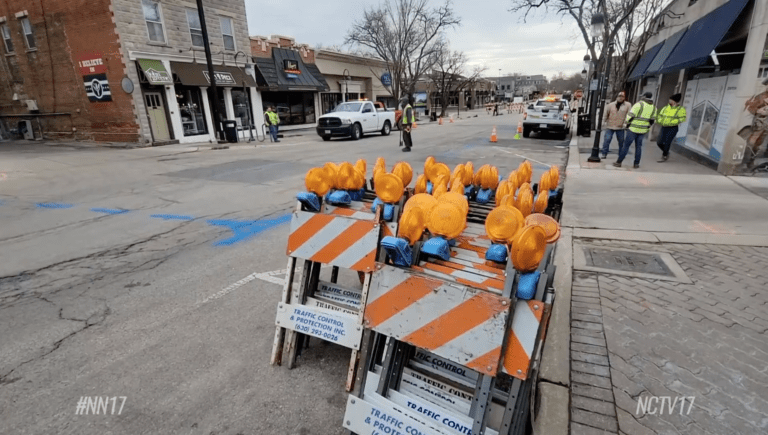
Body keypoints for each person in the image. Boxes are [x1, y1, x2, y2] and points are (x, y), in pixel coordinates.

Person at [614, 92, 657, 169]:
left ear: (644, 97)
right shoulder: (654, 108)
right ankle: (636, 164)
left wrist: (626, 124)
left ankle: (619, 162)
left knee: (626, 146)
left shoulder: (638, 105)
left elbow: (630, 116)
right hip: (643, 130)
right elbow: (652, 120)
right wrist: (646, 126)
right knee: (639, 147)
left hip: (633, 129)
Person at [600, 92, 632, 159]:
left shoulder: (628, 105)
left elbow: (629, 115)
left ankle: (621, 154)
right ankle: (604, 153)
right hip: (610, 125)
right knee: (607, 140)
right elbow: (605, 114)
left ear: (624, 97)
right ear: (616, 97)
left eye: (622, 96)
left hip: (620, 127)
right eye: (619, 96)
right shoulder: (610, 105)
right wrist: (603, 121)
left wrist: (625, 123)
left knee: (621, 141)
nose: (621, 97)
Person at [655, 93, 687, 162]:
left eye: (671, 100)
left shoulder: (680, 109)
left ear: (675, 101)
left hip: (673, 128)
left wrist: (671, 122)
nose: (669, 101)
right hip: (664, 127)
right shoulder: (666, 107)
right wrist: (661, 121)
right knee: (659, 142)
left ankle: (664, 155)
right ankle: (666, 152)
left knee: (667, 142)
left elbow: (682, 119)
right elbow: (660, 116)